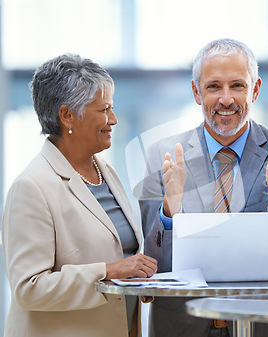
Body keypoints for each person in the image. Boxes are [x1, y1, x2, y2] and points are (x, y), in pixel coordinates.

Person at [139, 38, 268, 337]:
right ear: (196, 91)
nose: (226, 99)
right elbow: (155, 263)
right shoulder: (162, 155)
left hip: (265, 324)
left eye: (237, 86)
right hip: (182, 325)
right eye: (213, 87)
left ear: (255, 89)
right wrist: (172, 206)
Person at [1, 54, 158, 337]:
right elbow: (29, 288)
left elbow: (125, 256)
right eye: (104, 109)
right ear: (67, 115)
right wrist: (109, 271)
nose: (114, 119)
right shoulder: (31, 186)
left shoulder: (106, 170)